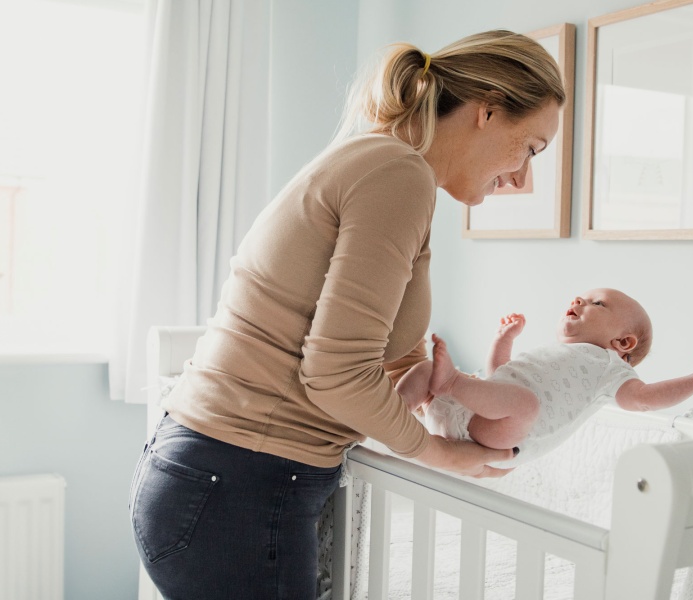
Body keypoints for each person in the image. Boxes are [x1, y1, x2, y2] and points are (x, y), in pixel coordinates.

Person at [129, 30, 566, 600]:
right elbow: (334, 371)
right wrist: (441, 455)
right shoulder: (396, 174)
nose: (523, 180)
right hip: (240, 483)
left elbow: (361, 350)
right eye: (531, 148)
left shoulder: (390, 169)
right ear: (486, 111)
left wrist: (441, 389)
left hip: (216, 476)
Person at [397, 288, 693, 467]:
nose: (578, 300)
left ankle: (449, 382)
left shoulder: (609, 367)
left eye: (596, 303)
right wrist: (505, 339)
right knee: (426, 370)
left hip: (499, 438)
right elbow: (497, 377)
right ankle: (392, 410)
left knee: (525, 404)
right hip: (469, 411)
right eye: (579, 297)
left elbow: (644, 399)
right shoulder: (551, 354)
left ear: (623, 342)